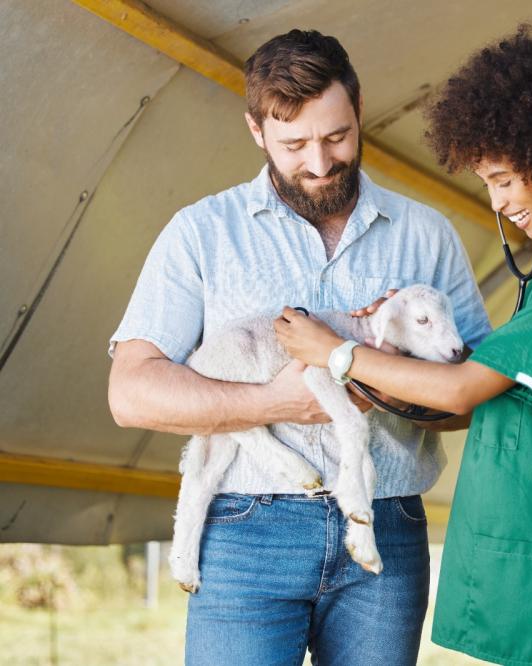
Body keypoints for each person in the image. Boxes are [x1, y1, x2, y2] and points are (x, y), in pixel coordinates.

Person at [274, 26, 532, 666]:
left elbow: (467, 388)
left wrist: (333, 351)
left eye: (502, 179)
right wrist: (385, 346)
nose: (496, 202)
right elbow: (487, 384)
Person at [107, 29, 491, 666]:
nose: (319, 162)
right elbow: (131, 391)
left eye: (337, 136)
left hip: (386, 528)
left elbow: (472, 398)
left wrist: (365, 372)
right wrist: (270, 400)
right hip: (243, 534)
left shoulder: (428, 237)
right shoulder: (201, 234)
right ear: (256, 131)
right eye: (294, 145)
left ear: (360, 110)